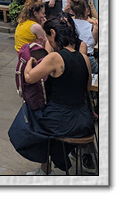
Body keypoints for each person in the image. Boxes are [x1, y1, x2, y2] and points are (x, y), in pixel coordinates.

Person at [8, 13, 95, 175]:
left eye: (48, 37)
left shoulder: (55, 57)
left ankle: (46, 170)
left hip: (61, 121)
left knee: (30, 112)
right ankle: (48, 167)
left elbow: (29, 77)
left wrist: (30, 62)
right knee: (44, 117)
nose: (49, 42)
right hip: (83, 120)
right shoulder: (84, 58)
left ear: (53, 33)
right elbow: (87, 87)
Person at [70, 0, 98, 74]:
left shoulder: (70, 23)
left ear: (72, 12)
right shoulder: (93, 26)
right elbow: (95, 42)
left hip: (73, 57)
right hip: (89, 57)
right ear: (86, 11)